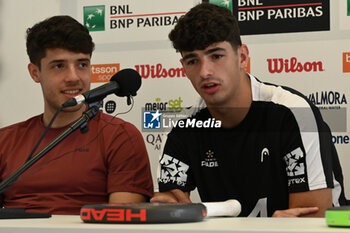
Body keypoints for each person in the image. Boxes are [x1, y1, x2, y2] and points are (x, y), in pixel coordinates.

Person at [151, 3, 347, 217]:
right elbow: (169, 207)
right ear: (183, 67)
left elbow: (311, 218)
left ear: (242, 57)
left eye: (216, 56)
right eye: (192, 61)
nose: (205, 71)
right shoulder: (184, 127)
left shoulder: (292, 112)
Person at [0, 15, 153, 215]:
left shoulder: (120, 137)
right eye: (59, 66)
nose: (73, 78)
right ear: (35, 72)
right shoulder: (5, 141)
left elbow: (121, 225)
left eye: (82, 64)